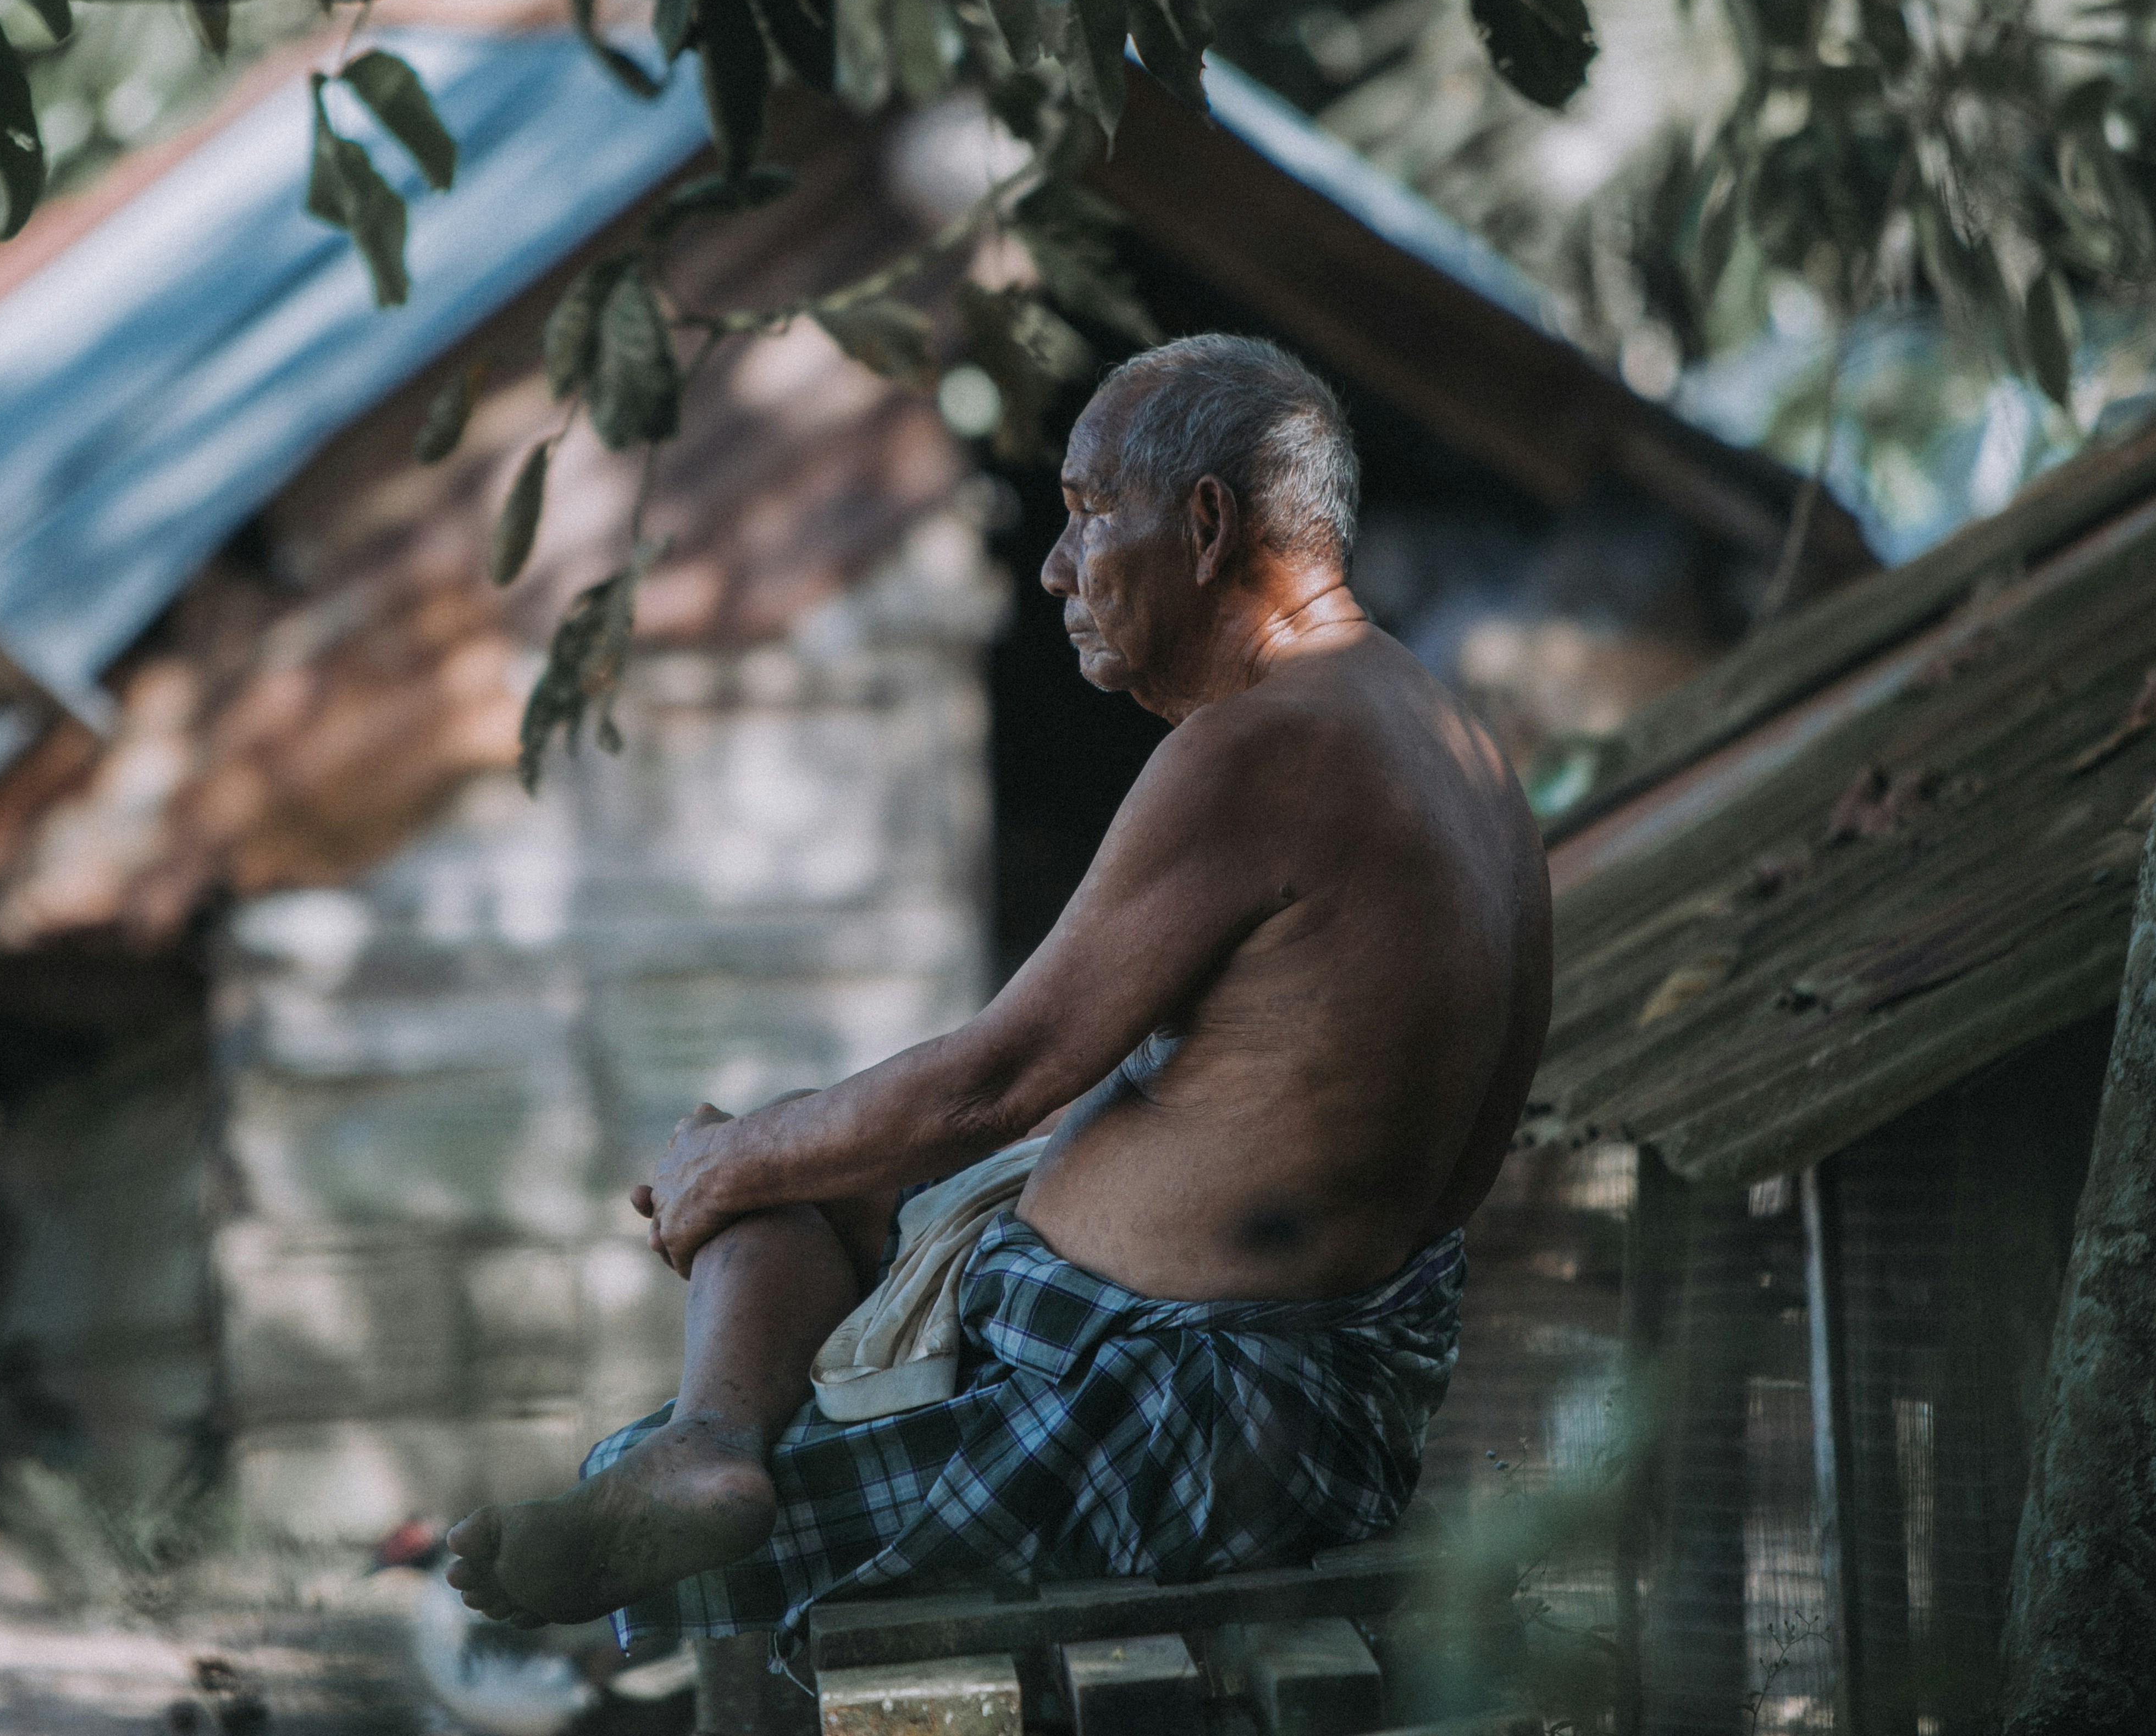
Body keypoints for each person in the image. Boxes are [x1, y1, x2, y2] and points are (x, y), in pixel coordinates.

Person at [444, 334, 1552, 1654]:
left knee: (763, 1170)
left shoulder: (1265, 747)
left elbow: (1000, 1077)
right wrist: (774, 1155)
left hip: (1193, 1416)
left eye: (1088, 516)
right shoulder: (1452, 738)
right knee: (801, 1150)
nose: (1054, 566)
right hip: (1322, 1388)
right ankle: (708, 1442)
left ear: (1205, 526)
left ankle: (701, 1448)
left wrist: (727, 1162)